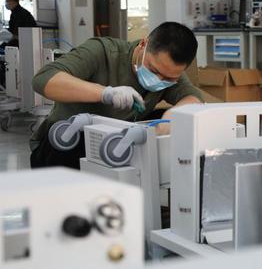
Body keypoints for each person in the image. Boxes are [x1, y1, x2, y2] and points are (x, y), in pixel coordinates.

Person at [30, 21, 203, 169]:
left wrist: (172, 117)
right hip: (63, 145)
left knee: (168, 121)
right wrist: (104, 93)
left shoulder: (169, 74)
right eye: (153, 70)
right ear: (143, 44)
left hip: (114, 150)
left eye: (169, 78)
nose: (159, 79)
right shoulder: (102, 52)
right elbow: (43, 79)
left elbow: (193, 97)